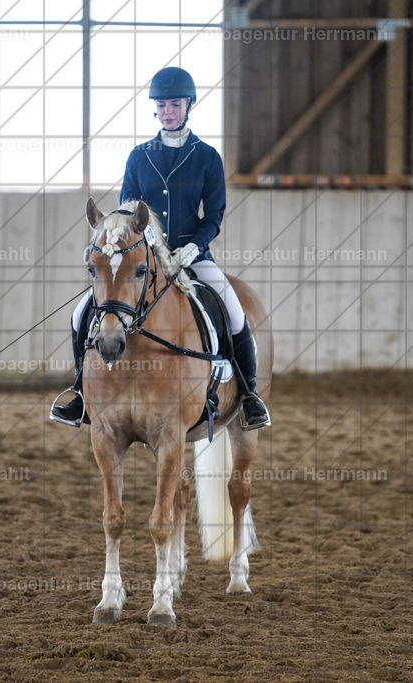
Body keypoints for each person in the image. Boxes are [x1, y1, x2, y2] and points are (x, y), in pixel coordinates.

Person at [51, 66, 270, 430]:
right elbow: (124, 214)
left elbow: (214, 215)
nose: (169, 111)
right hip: (144, 259)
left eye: (176, 104)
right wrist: (110, 245)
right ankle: (81, 394)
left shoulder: (207, 157)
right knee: (79, 315)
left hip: (193, 256)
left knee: (234, 313)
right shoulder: (139, 156)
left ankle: (249, 397)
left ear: (189, 106)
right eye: (162, 105)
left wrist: (194, 247)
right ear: (155, 109)